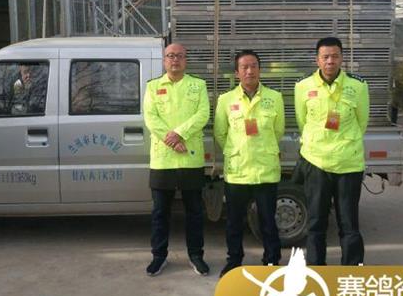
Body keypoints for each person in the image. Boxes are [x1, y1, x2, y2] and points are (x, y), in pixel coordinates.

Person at [294, 36, 369, 266]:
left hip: (348, 165)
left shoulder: (358, 86)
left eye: (335, 56)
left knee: (349, 224)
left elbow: (362, 122)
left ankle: (351, 271)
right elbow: (302, 121)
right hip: (316, 163)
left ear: (342, 58)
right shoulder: (303, 86)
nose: (330, 61)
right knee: (316, 223)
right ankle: (317, 270)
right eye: (325, 57)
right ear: (317, 59)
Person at [214, 49, 284, 277]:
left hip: (266, 170)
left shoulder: (275, 97)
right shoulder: (226, 100)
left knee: (268, 221)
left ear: (260, 70)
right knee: (234, 223)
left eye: (254, 66)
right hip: (238, 171)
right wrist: (236, 150)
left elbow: (278, 131)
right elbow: (220, 133)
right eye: (244, 67)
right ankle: (234, 261)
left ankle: (271, 260)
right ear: (237, 73)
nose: (249, 71)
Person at [143, 43, 210, 276]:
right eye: (170, 56)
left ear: (185, 60)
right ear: (164, 60)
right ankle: (159, 256)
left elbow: (203, 114)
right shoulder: (153, 87)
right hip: (163, 160)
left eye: (179, 56)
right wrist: (172, 140)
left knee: (195, 212)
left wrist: (180, 133)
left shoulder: (198, 85)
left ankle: (196, 256)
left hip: (190, 158)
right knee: (160, 213)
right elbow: (150, 118)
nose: (175, 60)